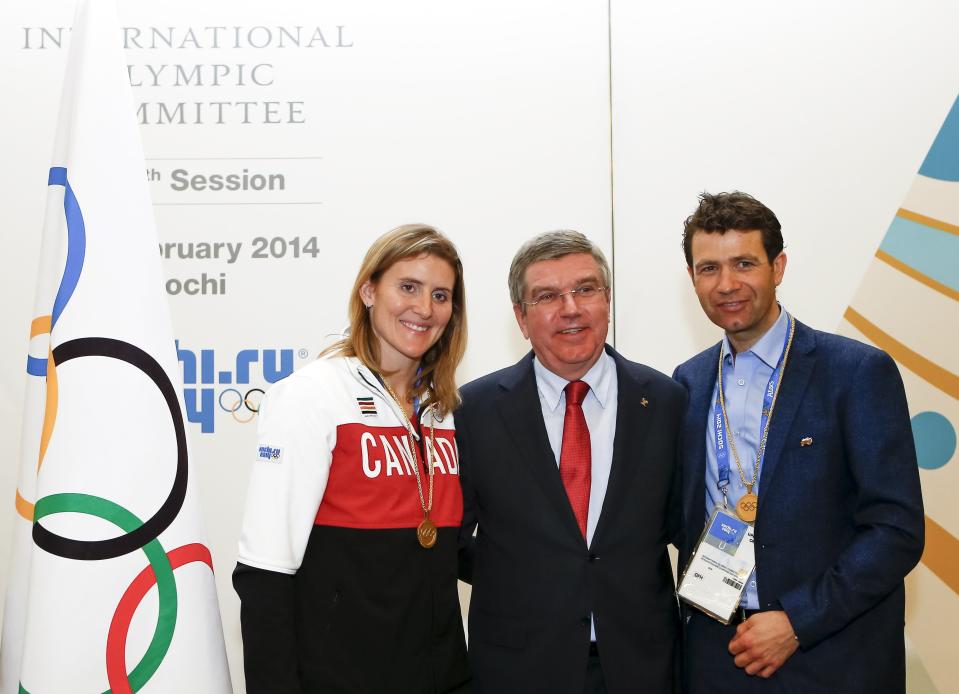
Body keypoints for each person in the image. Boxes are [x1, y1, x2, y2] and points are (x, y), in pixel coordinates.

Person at [673, 191, 924, 693]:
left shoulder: (855, 373)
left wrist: (797, 621)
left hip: (829, 658)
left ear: (778, 266)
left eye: (744, 263)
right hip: (717, 658)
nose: (727, 284)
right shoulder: (688, 383)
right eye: (709, 268)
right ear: (693, 278)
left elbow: (895, 529)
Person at [233, 224, 471, 694]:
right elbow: (264, 572)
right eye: (408, 287)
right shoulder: (312, 395)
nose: (424, 308)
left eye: (441, 295)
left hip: (440, 675)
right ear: (368, 290)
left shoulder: (444, 409)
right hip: (341, 677)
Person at [456, 230, 686, 694]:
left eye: (586, 289)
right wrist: (532, 577)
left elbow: (688, 526)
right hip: (518, 668)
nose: (571, 308)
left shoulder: (667, 401)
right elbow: (449, 539)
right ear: (521, 318)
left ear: (607, 300)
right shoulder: (472, 411)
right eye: (547, 296)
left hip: (642, 667)